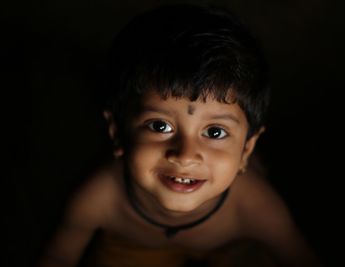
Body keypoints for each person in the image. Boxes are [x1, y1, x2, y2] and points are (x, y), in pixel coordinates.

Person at [38, 4, 321, 267]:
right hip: (134, 245)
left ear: (247, 149)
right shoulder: (101, 197)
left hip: (233, 245)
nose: (185, 155)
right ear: (117, 132)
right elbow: (60, 256)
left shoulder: (254, 205)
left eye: (214, 131)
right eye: (160, 126)